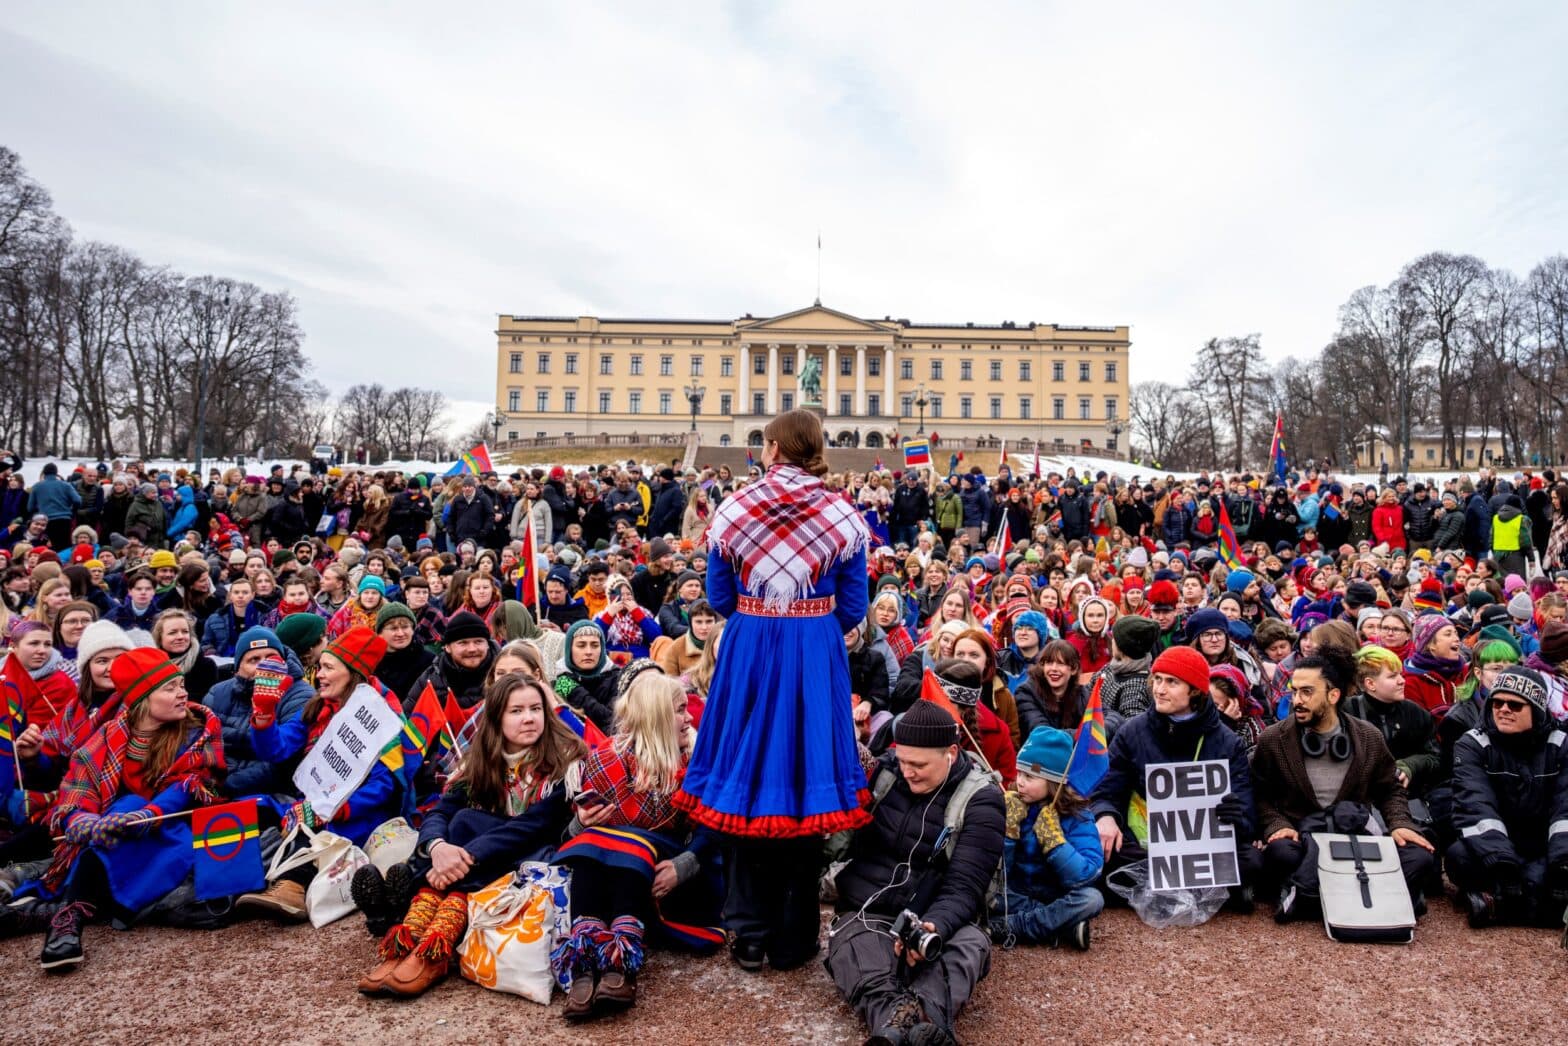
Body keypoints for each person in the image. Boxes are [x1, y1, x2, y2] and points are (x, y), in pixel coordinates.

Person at [676, 409, 871, 975]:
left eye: (765, 444)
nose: (762, 452)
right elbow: (855, 604)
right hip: (813, 646)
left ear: (778, 447)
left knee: (747, 778)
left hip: (752, 645)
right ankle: (794, 937)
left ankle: (749, 933)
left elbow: (718, 593)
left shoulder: (737, 507)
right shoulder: (841, 512)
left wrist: (761, 616)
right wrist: (810, 621)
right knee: (803, 779)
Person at [353, 672, 588, 997]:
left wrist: (463, 856)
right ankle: (415, 938)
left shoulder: (566, 764)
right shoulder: (481, 761)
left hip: (532, 858)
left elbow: (533, 827)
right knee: (458, 820)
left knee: (464, 823)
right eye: (516, 711)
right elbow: (440, 811)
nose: (530, 719)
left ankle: (434, 945)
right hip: (481, 864)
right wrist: (437, 849)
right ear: (497, 718)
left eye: (536, 709)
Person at [9, 647, 223, 971]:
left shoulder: (198, 729)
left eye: (181, 685)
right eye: (170, 688)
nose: (183, 693)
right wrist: (82, 820)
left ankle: (69, 915)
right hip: (111, 839)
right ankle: (73, 912)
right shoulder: (107, 737)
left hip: (171, 833)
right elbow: (76, 791)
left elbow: (188, 785)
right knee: (112, 827)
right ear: (142, 699)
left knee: (131, 805)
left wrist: (144, 816)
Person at [826, 701, 1004, 1045]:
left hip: (943, 916)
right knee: (854, 950)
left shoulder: (982, 799)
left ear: (951, 752)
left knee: (967, 948)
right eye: (903, 760)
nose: (908, 772)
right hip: (870, 908)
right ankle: (906, 1026)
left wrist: (933, 926)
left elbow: (965, 886)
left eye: (919, 764)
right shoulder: (886, 773)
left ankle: (915, 1023)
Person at [552, 671, 723, 1020]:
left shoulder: (695, 762)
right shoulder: (601, 760)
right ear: (657, 715)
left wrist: (686, 864)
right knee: (595, 843)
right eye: (679, 709)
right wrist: (579, 823)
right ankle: (589, 966)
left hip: (671, 879)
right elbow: (568, 839)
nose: (689, 717)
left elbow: (715, 829)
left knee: (624, 846)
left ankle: (617, 963)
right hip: (613, 873)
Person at [1252, 648, 1437, 923]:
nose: (1297, 701)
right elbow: (1260, 794)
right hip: (1303, 839)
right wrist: (1277, 825)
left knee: (1420, 858)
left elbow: (1389, 789)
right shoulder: (1274, 739)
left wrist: (1399, 824)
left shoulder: (1368, 737)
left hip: (1356, 841)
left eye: (1306, 692)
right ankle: (1385, 896)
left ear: (1333, 695)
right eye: (1294, 692)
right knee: (1280, 853)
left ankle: (1307, 896)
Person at [238, 627, 406, 918]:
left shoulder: (382, 718)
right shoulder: (318, 708)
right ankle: (226, 883)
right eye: (319, 667)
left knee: (313, 832)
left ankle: (292, 889)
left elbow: (384, 786)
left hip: (356, 814)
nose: (319, 675)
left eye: (328, 667)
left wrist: (331, 810)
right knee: (249, 808)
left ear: (353, 673)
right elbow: (275, 750)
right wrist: (264, 716)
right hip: (313, 803)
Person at [1091, 644, 1259, 904]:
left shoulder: (1228, 742)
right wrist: (1105, 816)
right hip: (1144, 840)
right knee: (1098, 848)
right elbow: (1106, 788)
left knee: (1252, 861)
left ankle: (1152, 890)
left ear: (1194, 690)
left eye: (1171, 682)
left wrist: (1234, 816)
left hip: (1201, 847)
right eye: (1157, 679)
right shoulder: (1132, 732)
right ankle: (1205, 892)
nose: (1159, 689)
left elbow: (1246, 816)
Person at [1445, 665, 1568, 926]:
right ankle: (1544, 908)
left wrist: (1561, 863)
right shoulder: (1472, 743)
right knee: (1458, 857)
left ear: (1536, 709)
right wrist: (1504, 863)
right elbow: (1475, 806)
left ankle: (1498, 906)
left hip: (1546, 844)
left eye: (1514, 705)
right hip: (1496, 848)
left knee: (1551, 872)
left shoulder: (1561, 744)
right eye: (1497, 702)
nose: (1503, 710)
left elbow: (1565, 809)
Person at [991, 725, 1103, 949]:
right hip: (1015, 893)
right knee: (985, 893)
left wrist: (1055, 844)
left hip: (1056, 895)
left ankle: (1008, 927)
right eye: (1019, 772)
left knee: (1092, 899)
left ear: (1054, 782)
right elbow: (995, 874)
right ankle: (1060, 930)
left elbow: (1087, 875)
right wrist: (1008, 834)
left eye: (1030, 777)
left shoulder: (1078, 816)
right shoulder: (1010, 805)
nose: (1020, 782)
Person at [1343, 645, 1438, 798]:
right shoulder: (1346, 712)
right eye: (1392, 676)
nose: (1402, 681)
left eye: (1400, 674)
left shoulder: (1415, 713)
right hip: (1359, 801)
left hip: (1409, 797)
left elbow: (1434, 756)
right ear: (1370, 684)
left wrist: (1409, 766)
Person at [552, 618, 623, 733]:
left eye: (595, 645)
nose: (588, 652)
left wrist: (575, 692)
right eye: (581, 645)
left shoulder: (617, 678)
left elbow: (612, 721)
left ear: (602, 649)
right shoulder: (560, 681)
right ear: (569, 649)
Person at [3, 619, 76, 728]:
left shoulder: (59, 683)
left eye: (47, 644)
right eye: (34, 643)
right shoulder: (3, 674)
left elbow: (35, 732)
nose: (42, 650)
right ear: (13, 647)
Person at [152, 609, 219, 703]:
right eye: (172, 633)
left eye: (185, 631)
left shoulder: (206, 666)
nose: (180, 637)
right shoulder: (150, 668)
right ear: (159, 638)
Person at [373, 602, 434, 703]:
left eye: (405, 627)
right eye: (393, 628)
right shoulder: (371, 663)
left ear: (413, 630)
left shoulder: (429, 662)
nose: (400, 633)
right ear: (380, 633)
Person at [656, 598, 718, 679]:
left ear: (715, 622)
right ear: (690, 623)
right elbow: (669, 683)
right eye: (698, 622)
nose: (704, 627)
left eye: (709, 621)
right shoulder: (676, 647)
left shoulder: (725, 644)